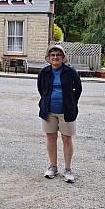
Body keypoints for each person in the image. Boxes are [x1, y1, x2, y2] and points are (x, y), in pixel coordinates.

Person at [37, 45, 82, 183]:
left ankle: (67, 169)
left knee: (66, 139)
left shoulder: (70, 72)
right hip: (48, 111)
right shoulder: (44, 72)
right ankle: (53, 166)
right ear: (49, 58)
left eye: (58, 55)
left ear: (63, 57)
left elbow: (78, 89)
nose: (55, 57)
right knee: (51, 139)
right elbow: (41, 89)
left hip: (66, 111)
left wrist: (71, 102)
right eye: (52, 55)